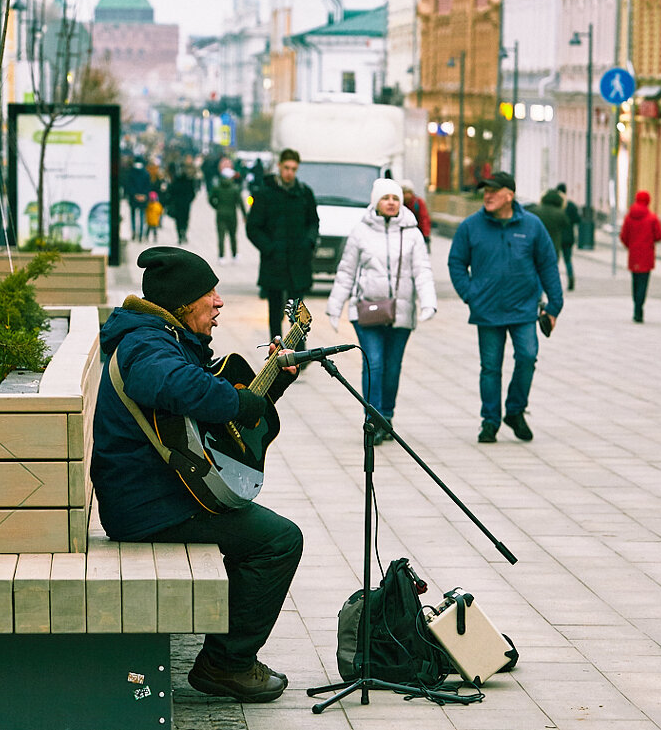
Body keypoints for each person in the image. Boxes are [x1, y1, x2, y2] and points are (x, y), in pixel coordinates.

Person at [90, 246, 302, 703]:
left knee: (260, 534)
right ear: (184, 303)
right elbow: (171, 384)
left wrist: (271, 384)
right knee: (279, 541)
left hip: (160, 493)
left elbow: (204, 416)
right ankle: (225, 665)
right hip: (148, 506)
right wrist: (237, 401)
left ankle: (227, 653)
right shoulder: (146, 343)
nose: (219, 302)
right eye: (210, 294)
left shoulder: (161, 336)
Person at [447, 171, 563, 443]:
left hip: (523, 309)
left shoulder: (532, 226)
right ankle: (490, 421)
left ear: (509, 195)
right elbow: (456, 262)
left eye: (494, 191)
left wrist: (554, 307)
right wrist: (469, 294)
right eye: (485, 191)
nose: (487, 195)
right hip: (486, 310)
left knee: (527, 356)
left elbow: (547, 264)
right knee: (490, 368)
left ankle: (515, 410)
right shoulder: (471, 226)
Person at [326, 179, 437, 443]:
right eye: (385, 198)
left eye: (395, 198)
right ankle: (372, 420)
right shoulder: (360, 232)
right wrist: (335, 306)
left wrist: (428, 301)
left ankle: (387, 415)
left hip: (401, 311)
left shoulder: (411, 232)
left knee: (392, 366)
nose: (391, 202)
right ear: (376, 201)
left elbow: (422, 270)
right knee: (373, 363)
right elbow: (346, 272)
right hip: (367, 310)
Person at [247, 148, 319, 343]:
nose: (290, 173)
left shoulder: (304, 193)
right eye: (286, 168)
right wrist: (269, 248)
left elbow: (313, 222)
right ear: (279, 166)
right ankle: (276, 352)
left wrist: (309, 242)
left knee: (298, 312)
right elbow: (252, 228)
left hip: (298, 261)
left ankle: (300, 350)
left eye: (294, 169)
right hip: (275, 262)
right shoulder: (265, 193)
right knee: (275, 312)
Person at [619, 190, 661, 323]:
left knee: (635, 281)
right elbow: (659, 235)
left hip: (633, 254)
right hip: (646, 255)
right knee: (643, 283)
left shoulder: (629, 216)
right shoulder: (652, 218)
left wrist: (630, 246)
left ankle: (636, 308)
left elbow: (623, 236)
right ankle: (639, 308)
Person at [209, 167, 247, 264]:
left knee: (221, 236)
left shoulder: (217, 188)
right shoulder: (235, 188)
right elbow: (240, 203)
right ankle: (234, 255)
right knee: (233, 236)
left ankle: (221, 257)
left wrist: (216, 206)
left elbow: (210, 199)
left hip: (220, 214)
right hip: (232, 214)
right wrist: (245, 215)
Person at [527, 188, 570, 258]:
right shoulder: (560, 213)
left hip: (537, 244)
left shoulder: (535, 210)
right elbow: (566, 225)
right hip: (553, 244)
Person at [166, 155, 199, 245]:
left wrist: (171, 201)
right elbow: (193, 193)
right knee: (185, 219)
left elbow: (171, 192)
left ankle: (180, 235)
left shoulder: (176, 181)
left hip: (177, 204)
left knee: (178, 220)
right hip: (186, 204)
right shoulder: (189, 182)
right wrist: (189, 200)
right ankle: (184, 232)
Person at [122, 157, 152, 242]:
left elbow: (128, 185)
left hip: (133, 197)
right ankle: (140, 233)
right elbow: (148, 186)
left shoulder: (131, 173)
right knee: (142, 216)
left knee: (134, 216)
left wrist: (135, 194)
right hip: (142, 198)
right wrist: (143, 195)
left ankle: (134, 232)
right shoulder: (146, 174)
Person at [399, 179, 432, 249]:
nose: (405, 195)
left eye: (407, 193)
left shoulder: (418, 203)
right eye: (403, 193)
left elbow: (424, 219)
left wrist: (426, 235)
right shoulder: (399, 204)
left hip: (416, 234)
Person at [558, 182, 578, 290]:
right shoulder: (571, 205)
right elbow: (577, 220)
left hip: (557, 237)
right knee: (568, 260)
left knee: (553, 261)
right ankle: (571, 279)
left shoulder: (556, 205)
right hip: (568, 238)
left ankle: (553, 282)